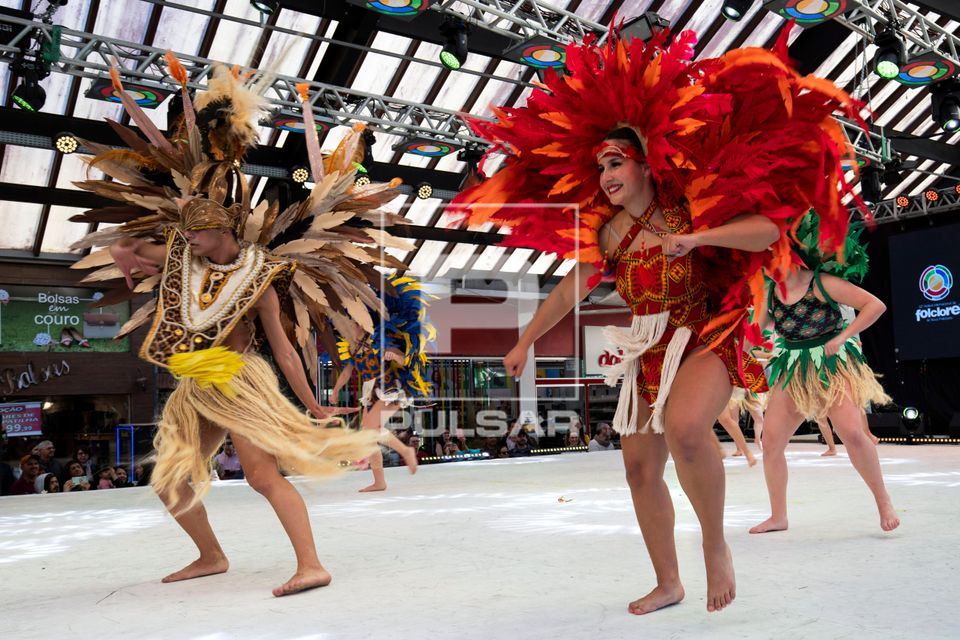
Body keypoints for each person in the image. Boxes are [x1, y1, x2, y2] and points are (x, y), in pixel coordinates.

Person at [453, 25, 862, 614]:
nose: (606, 174)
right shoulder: (607, 232)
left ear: (645, 164)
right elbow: (571, 288)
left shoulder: (686, 203)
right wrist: (524, 341)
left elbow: (767, 231)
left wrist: (698, 236)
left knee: (688, 428)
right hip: (647, 348)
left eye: (616, 161)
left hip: (707, 334)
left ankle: (715, 546)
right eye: (599, 167)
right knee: (640, 469)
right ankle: (668, 581)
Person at [70, 60, 413, 596]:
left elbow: (285, 351)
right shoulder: (190, 257)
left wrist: (315, 404)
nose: (187, 249)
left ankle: (311, 564)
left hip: (239, 381)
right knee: (170, 479)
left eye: (198, 240)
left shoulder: (260, 278)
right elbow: (140, 250)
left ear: (222, 233)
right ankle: (210, 556)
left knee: (261, 476)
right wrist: (127, 253)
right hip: (196, 384)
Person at [750, 266, 899, 534]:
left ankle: (883, 501)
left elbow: (874, 305)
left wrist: (843, 337)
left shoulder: (821, 283)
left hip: (831, 362)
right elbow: (751, 336)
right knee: (771, 442)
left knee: (852, 433)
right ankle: (778, 516)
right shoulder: (770, 293)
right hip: (793, 365)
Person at [332, 273, 433, 492]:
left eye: (351, 322)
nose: (347, 326)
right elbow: (347, 371)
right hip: (371, 392)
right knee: (369, 437)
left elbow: (405, 358)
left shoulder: (380, 339)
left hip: (391, 387)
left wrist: (395, 357)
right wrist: (335, 391)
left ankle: (405, 451)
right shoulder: (352, 347)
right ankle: (379, 481)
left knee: (370, 428)